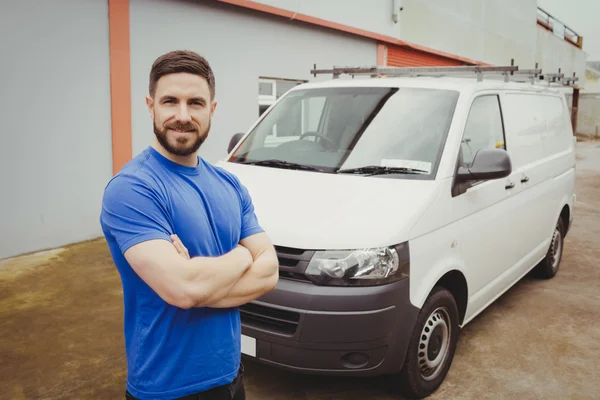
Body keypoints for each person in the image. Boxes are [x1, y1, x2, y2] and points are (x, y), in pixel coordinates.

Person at [100, 50, 279, 400]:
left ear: (211, 110)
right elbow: (184, 289)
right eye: (170, 101)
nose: (182, 116)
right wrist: (244, 255)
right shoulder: (133, 188)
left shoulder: (230, 185)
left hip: (230, 376)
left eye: (195, 103)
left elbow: (270, 273)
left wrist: (199, 286)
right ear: (151, 106)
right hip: (166, 387)